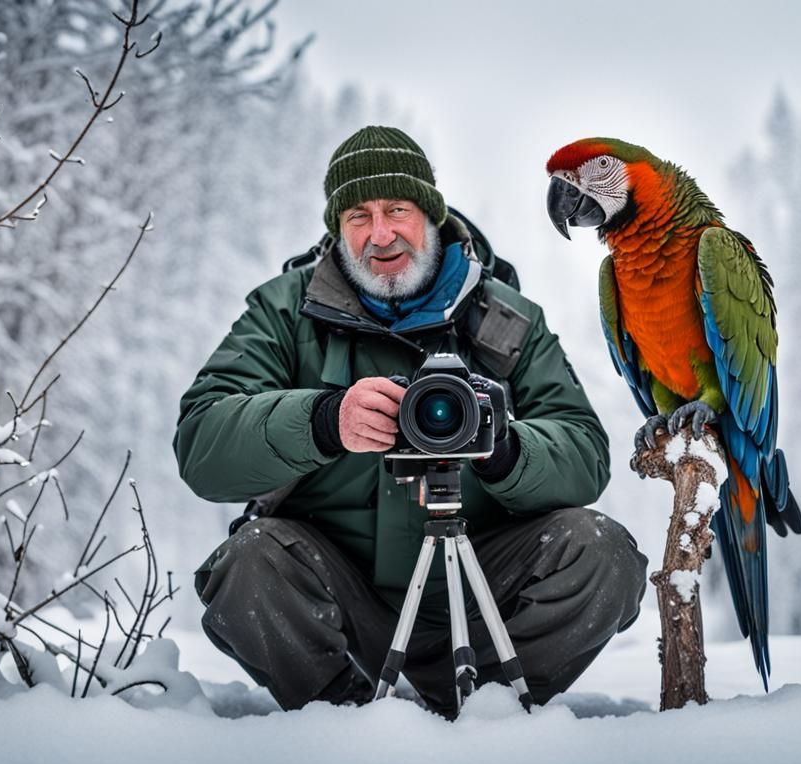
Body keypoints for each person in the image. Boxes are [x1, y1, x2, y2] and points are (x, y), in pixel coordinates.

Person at [176, 126, 648, 718]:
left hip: (482, 594)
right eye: (358, 215)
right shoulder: (284, 311)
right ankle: (346, 726)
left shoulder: (506, 318)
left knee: (600, 552)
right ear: (337, 228)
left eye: (397, 209)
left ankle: (491, 717)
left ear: (430, 213)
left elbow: (585, 454)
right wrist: (323, 421)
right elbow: (201, 443)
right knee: (249, 561)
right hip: (339, 603)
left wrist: (503, 447)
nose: (380, 234)